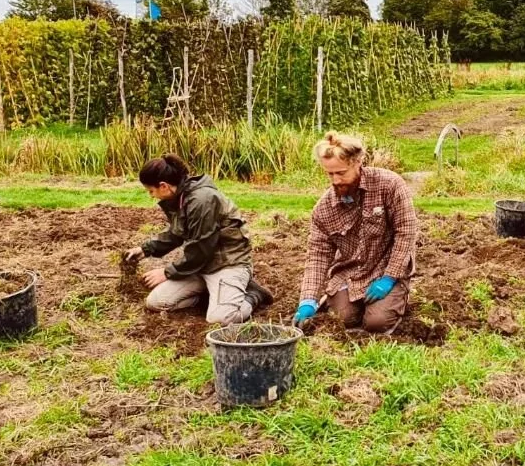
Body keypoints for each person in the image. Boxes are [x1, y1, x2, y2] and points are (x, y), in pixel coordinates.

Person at [124, 154, 273, 324]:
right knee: (157, 302)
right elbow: (176, 232)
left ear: (164, 186)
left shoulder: (202, 200)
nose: (151, 196)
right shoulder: (181, 198)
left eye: (151, 191)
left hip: (228, 263)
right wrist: (145, 249)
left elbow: (201, 248)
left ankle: (254, 295)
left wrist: (166, 272)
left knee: (221, 318)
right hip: (201, 266)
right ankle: (214, 296)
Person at [294, 132, 418, 334]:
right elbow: (317, 256)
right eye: (330, 174)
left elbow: (406, 232)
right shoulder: (324, 210)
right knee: (342, 319)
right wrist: (307, 300)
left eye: (341, 173)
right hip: (349, 274)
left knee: (376, 323)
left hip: (386, 269)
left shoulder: (389, 185)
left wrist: (390, 277)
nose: (335, 180)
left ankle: (397, 296)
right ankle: (337, 300)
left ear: (358, 162)